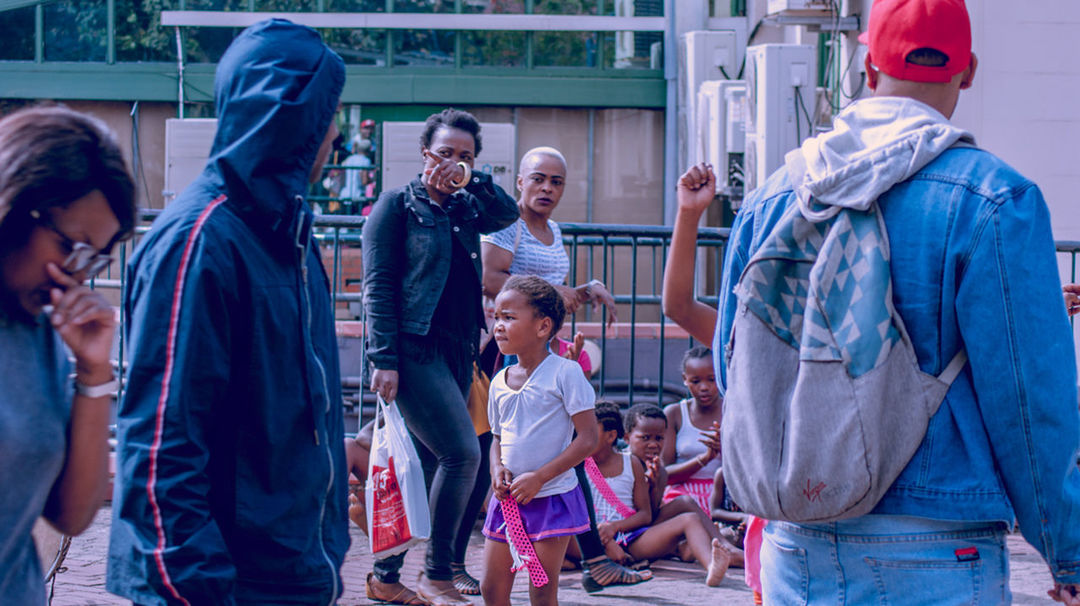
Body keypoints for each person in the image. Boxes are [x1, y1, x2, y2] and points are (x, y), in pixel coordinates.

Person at [711, 0, 1080, 603]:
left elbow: (736, 367)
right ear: (968, 72)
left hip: (795, 541)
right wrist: (1067, 549)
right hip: (936, 539)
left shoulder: (774, 196)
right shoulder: (994, 197)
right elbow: (1030, 396)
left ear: (867, 63)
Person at [106, 20, 350, 604]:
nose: (337, 133)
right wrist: (201, 591)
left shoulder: (288, 235)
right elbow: (163, 450)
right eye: (329, 112)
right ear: (296, 116)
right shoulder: (199, 245)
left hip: (290, 571)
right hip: (226, 585)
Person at [362, 107, 519, 605]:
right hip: (412, 347)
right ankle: (438, 573)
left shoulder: (465, 207)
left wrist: (473, 182)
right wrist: (382, 357)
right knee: (463, 453)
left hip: (457, 348)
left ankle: (385, 579)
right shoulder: (396, 207)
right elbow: (378, 286)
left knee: (432, 463)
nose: (454, 164)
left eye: (466, 157)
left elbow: (506, 213)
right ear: (424, 153)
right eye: (446, 153)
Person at [481, 146, 647, 592]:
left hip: (547, 357)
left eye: (556, 181)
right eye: (538, 178)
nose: (547, 188)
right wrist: (565, 293)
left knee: (563, 457)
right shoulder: (506, 226)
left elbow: (554, 298)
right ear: (520, 181)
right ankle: (446, 565)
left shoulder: (553, 231)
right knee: (479, 457)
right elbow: (494, 281)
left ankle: (594, 558)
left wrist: (586, 289)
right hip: (505, 358)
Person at [0, 105, 135, 604]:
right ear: (14, 204)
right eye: (70, 247)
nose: (77, 276)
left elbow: (73, 514)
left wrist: (95, 372)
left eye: (93, 259)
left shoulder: (37, 327)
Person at [480, 275, 599, 606]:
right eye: (496, 317)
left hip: (551, 498)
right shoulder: (500, 381)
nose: (498, 326)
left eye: (509, 317)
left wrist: (539, 478)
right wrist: (497, 467)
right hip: (508, 502)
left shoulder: (565, 373)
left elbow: (589, 439)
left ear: (543, 326)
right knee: (491, 588)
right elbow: (497, 437)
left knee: (542, 590)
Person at [582, 401, 731, 586]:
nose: (582, 438)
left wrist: (614, 527)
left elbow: (646, 515)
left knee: (689, 518)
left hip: (630, 539)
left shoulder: (632, 464)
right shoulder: (580, 466)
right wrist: (605, 540)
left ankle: (712, 566)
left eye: (589, 432)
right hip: (590, 540)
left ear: (611, 436)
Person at [623, 403, 742, 566]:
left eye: (659, 438)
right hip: (625, 535)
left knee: (684, 502)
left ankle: (724, 546)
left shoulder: (659, 471)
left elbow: (651, 514)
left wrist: (654, 485)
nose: (653, 444)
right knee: (687, 519)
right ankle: (686, 549)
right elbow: (638, 516)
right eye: (645, 438)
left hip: (643, 529)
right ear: (627, 437)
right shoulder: (623, 465)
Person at [661, 346, 723, 514]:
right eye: (696, 381)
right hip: (682, 499)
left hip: (723, 498)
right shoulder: (674, 414)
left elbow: (747, 469)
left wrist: (724, 449)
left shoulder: (733, 411)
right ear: (685, 379)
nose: (704, 387)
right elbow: (664, 475)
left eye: (711, 379)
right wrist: (705, 458)